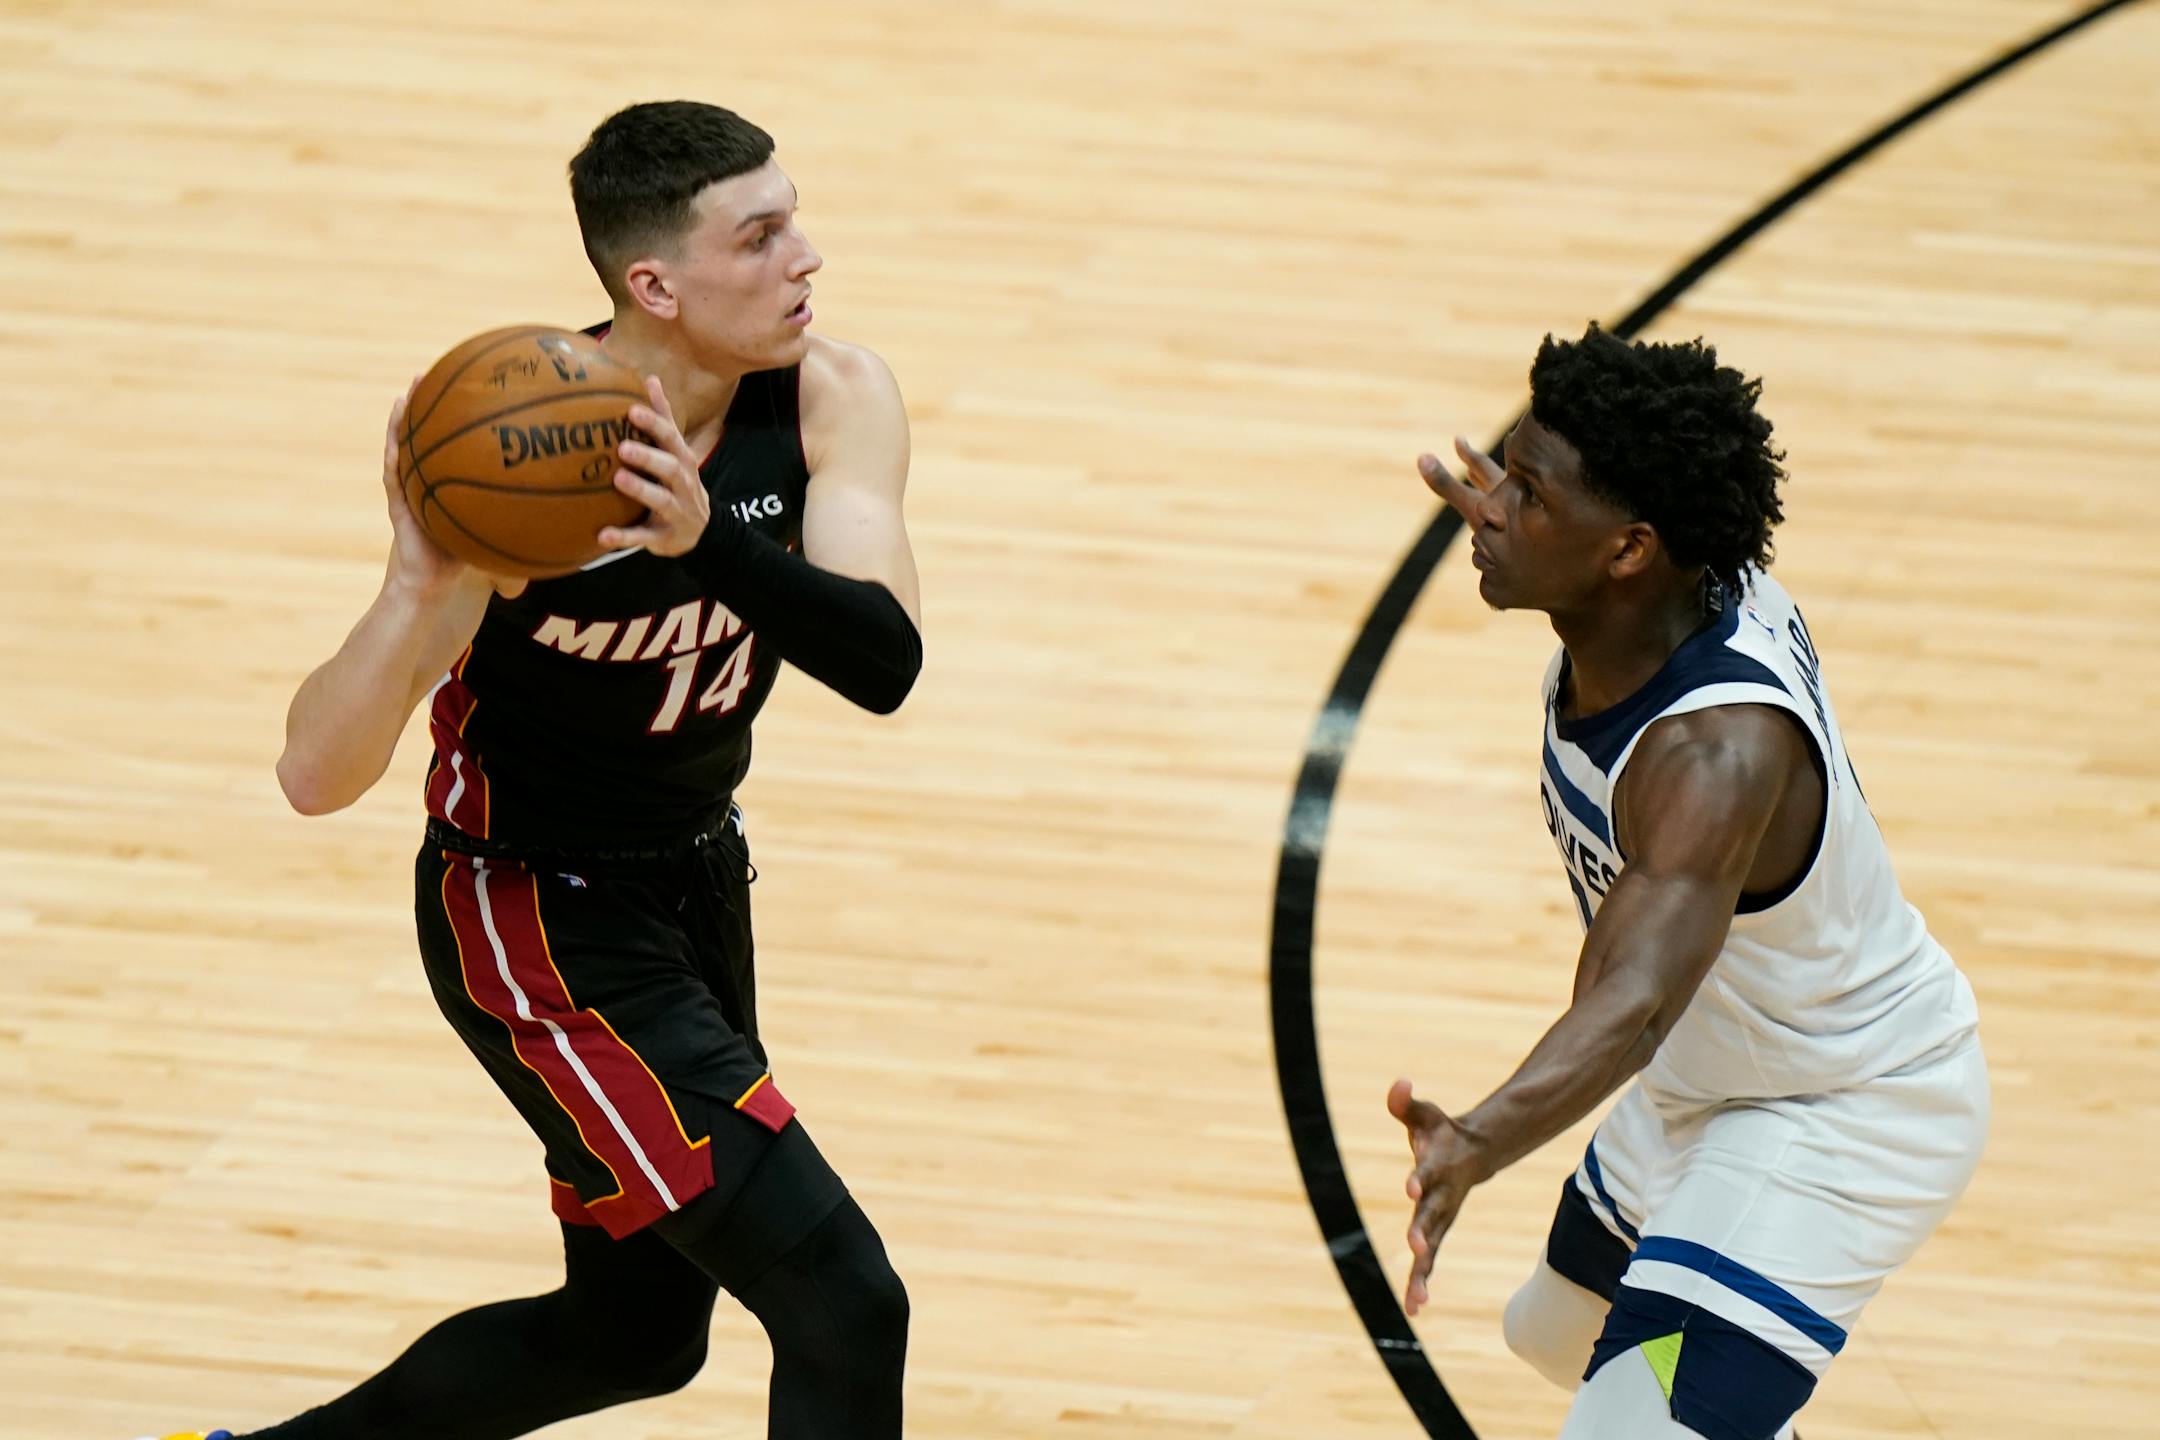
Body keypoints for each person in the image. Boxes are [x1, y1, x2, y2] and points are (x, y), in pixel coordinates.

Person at [150, 99, 922, 1440]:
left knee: (630, 1336)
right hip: (536, 920)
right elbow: (314, 775)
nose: (808, 256)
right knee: (844, 1299)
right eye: (763, 235)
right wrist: (412, 587)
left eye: (795, 218)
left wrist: (713, 547)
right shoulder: (530, 453)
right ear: (654, 285)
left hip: (691, 885)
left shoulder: (831, 400)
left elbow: (886, 663)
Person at [1386, 325, 1986, 1440]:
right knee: (1553, 1335)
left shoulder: (1713, 755)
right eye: (1505, 472)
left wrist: (1477, 1139)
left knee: (1624, 1434)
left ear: (1629, 552)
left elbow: (1638, 1001)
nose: (1493, 510)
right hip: (1718, 1081)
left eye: (1529, 492)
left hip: (1841, 1104)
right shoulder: (1661, 593)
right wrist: (1539, 503)